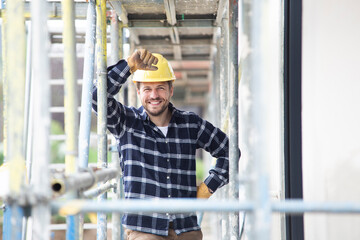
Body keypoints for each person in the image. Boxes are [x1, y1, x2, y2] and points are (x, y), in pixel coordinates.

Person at [92, 49, 231, 240]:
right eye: (147, 89)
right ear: (138, 92)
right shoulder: (125, 122)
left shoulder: (191, 124)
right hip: (144, 229)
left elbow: (230, 151)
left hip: (186, 228)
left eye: (160, 88)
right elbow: (97, 97)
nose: (154, 95)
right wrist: (129, 66)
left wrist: (208, 188)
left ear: (171, 90)